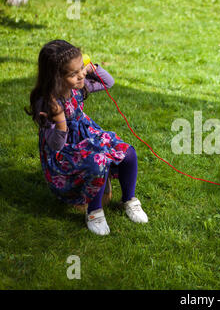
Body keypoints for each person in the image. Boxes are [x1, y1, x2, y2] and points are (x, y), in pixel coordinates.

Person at [26, 40, 148, 236]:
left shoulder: (78, 86)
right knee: (97, 163)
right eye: (74, 73)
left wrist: (91, 68)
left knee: (129, 153)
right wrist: (59, 120)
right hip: (65, 152)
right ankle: (94, 212)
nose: (81, 74)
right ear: (56, 77)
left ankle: (129, 200)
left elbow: (109, 82)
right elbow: (56, 145)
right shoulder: (47, 103)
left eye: (81, 67)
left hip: (88, 135)